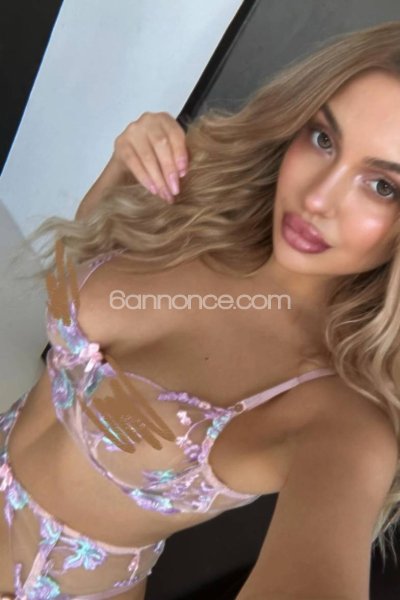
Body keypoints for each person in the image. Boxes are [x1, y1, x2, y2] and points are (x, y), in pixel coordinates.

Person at [1, 19, 400, 600]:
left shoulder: (341, 416)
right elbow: (77, 269)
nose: (317, 198)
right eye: (323, 139)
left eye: (383, 186)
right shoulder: (204, 206)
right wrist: (121, 167)